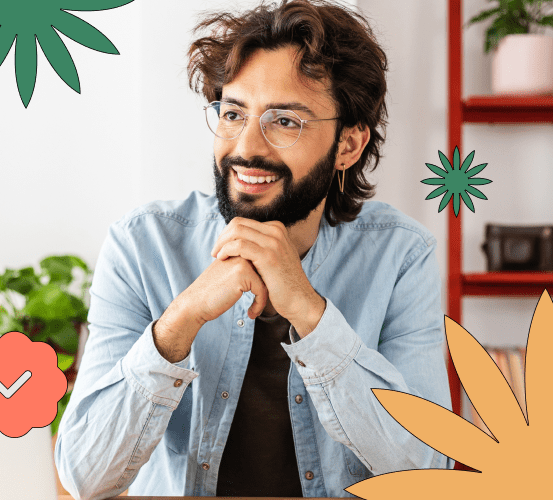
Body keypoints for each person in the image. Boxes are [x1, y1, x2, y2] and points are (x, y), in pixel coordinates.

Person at [54, 1, 454, 498]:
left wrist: (311, 314)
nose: (247, 147)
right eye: (233, 113)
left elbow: (430, 470)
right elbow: (85, 477)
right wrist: (181, 320)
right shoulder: (141, 246)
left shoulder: (400, 256)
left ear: (348, 145)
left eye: (285, 121)